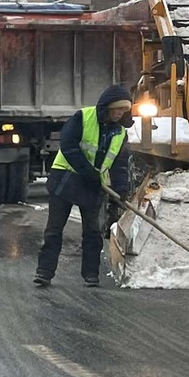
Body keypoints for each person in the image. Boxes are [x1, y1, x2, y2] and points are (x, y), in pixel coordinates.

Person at [34, 85, 132, 288]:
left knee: (92, 232)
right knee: (54, 229)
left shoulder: (120, 134)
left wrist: (122, 189)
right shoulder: (83, 118)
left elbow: (119, 164)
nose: (121, 114)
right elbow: (68, 147)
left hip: (92, 186)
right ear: (108, 107)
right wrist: (89, 172)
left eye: (124, 110)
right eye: (118, 109)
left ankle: (91, 275)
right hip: (66, 180)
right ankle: (44, 272)